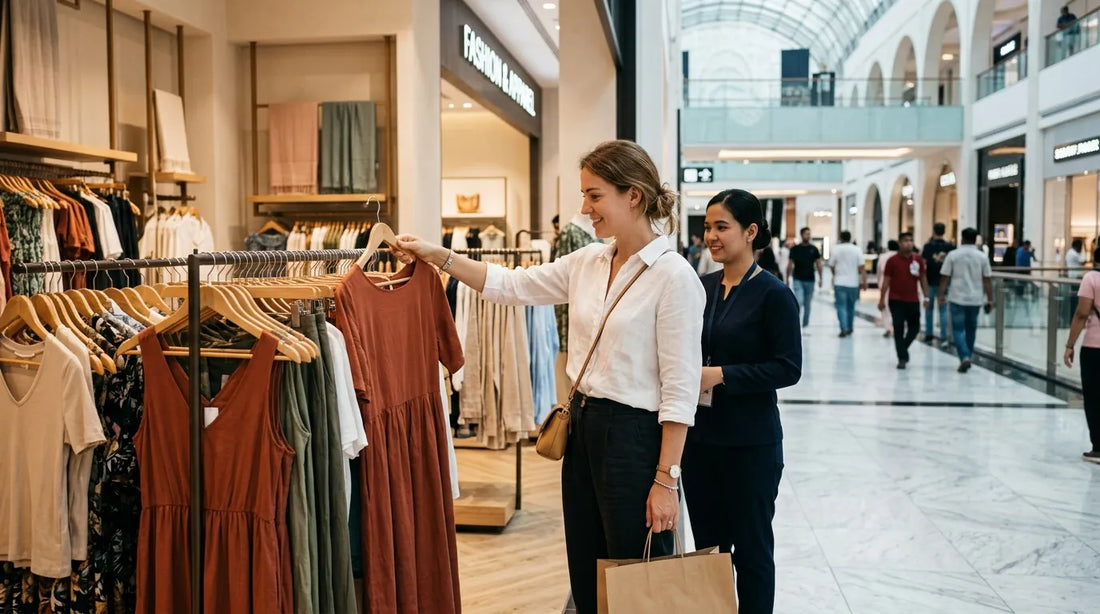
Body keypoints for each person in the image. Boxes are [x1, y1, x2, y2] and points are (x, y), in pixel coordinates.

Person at [392, 140, 704, 613]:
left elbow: (680, 390)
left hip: (635, 440)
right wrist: (440, 256)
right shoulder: (589, 262)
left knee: (637, 574)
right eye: (584, 195)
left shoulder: (673, 276)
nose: (585, 208)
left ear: (633, 196)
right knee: (586, 567)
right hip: (582, 429)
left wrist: (666, 481)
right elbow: (511, 285)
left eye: (594, 195)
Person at [687, 189, 801, 614]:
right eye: (707, 227)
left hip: (751, 445)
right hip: (700, 443)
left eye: (722, 227)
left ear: (751, 232)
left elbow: (788, 368)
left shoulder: (774, 294)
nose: (711, 237)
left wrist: (722, 375)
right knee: (709, 552)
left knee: (752, 551)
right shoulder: (701, 288)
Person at [939, 228, 994, 373]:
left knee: (958, 329)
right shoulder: (982, 257)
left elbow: (945, 276)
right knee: (971, 329)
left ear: (962, 239)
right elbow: (987, 279)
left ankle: (964, 356)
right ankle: (968, 355)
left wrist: (941, 295)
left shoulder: (953, 255)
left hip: (957, 297)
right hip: (975, 298)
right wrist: (990, 299)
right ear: (975, 239)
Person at [1064, 248, 1100, 464]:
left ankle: (1099, 448)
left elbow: (1082, 313)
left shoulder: (1091, 278)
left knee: (1094, 397)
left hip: (1095, 347)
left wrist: (1070, 345)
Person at [878, 232, 929, 369]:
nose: (909, 243)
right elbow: (886, 281)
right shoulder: (892, 260)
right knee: (898, 327)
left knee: (915, 328)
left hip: (913, 299)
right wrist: (882, 299)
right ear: (900, 243)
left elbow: (923, 279)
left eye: (911, 240)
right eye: (905, 240)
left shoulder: (918, 260)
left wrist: (926, 297)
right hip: (896, 299)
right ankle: (902, 358)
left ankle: (903, 349)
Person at [921, 222, 955, 345]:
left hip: (930, 280)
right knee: (943, 309)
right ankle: (944, 335)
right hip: (944, 281)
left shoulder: (928, 246)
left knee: (929, 309)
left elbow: (923, 263)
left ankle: (929, 333)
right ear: (944, 231)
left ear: (934, 231)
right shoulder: (950, 246)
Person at [830, 230, 866, 337]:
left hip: (839, 282)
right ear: (850, 237)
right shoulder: (857, 249)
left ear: (840, 238)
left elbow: (831, 265)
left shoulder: (836, 249)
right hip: (853, 283)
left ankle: (843, 328)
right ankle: (850, 327)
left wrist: (835, 274)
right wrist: (864, 281)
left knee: (841, 306)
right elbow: (862, 267)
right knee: (851, 307)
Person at [787, 228, 822, 328]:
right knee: (799, 301)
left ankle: (805, 324)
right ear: (801, 235)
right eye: (806, 234)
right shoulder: (795, 249)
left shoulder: (814, 249)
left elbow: (819, 264)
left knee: (807, 304)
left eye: (809, 234)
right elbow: (790, 264)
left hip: (810, 279)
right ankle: (796, 323)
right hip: (798, 279)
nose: (808, 236)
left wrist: (821, 278)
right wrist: (787, 277)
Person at [876, 239, 899, 338]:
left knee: (884, 306)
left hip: (884, 283)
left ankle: (887, 328)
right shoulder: (899, 256)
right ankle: (896, 325)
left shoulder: (883, 256)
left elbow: (879, 271)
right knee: (897, 305)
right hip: (897, 283)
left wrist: (878, 282)